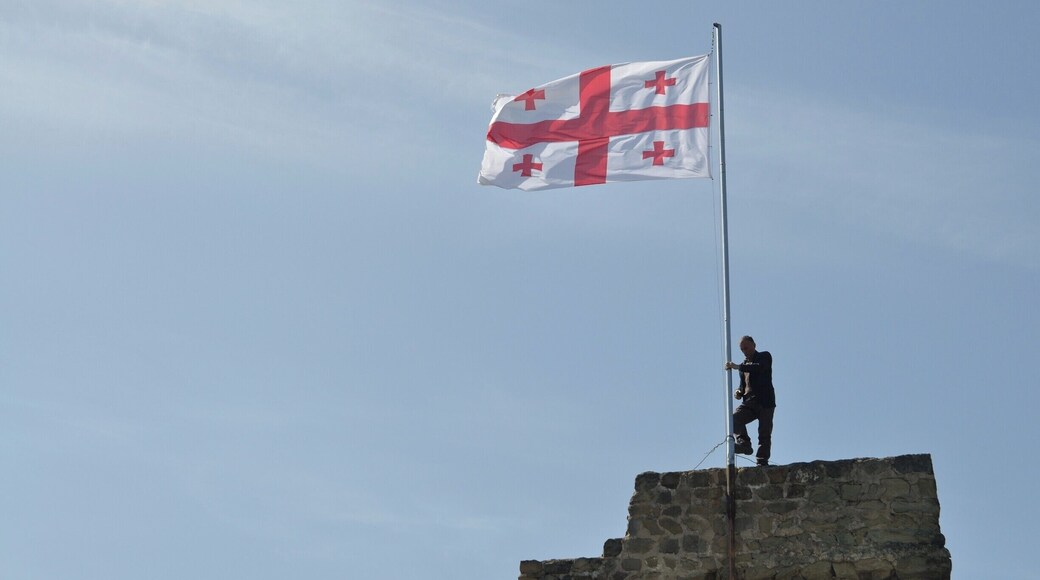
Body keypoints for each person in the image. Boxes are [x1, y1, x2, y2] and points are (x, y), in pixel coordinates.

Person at [724, 335, 775, 466]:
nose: (745, 351)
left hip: (765, 401)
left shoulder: (764, 356)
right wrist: (739, 391)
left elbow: (759, 368)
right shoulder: (744, 366)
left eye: (746, 348)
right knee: (733, 420)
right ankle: (744, 444)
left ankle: (762, 461)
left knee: (764, 433)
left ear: (754, 345)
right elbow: (743, 385)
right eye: (742, 349)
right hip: (749, 403)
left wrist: (738, 367)